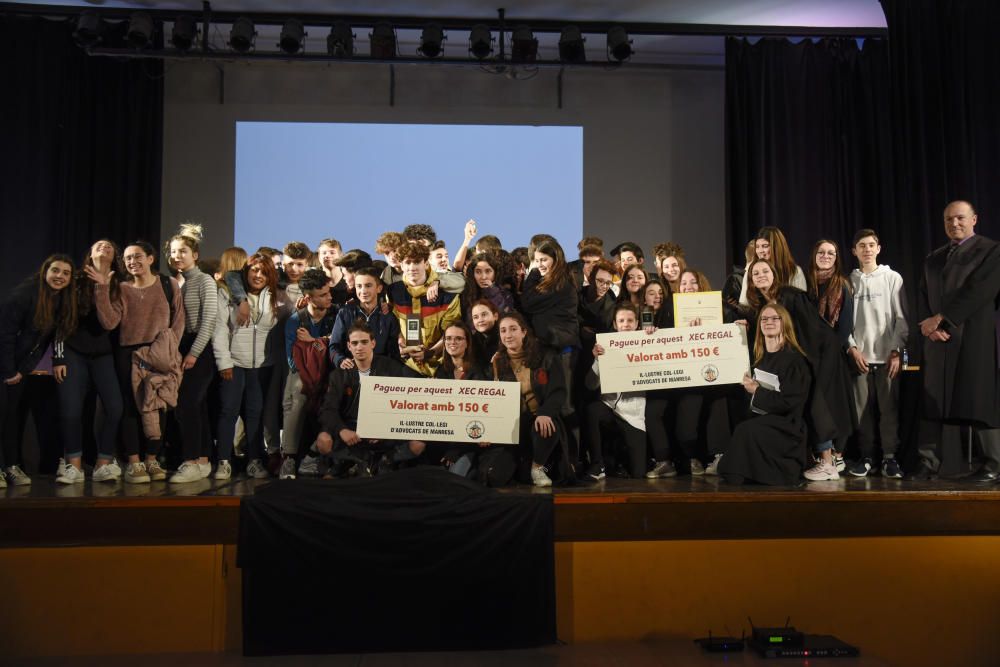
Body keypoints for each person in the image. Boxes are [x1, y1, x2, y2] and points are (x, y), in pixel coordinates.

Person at [915, 200, 1000, 482]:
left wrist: (942, 318)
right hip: (938, 342)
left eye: (961, 218)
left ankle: (992, 463)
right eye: (949, 219)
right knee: (933, 401)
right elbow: (923, 295)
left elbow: (980, 291)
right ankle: (930, 462)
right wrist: (929, 325)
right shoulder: (934, 258)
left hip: (974, 337)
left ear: (974, 219)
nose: (955, 224)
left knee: (978, 398)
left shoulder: (991, 251)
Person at [746, 258, 854, 481]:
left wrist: (810, 363)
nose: (761, 276)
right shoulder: (761, 306)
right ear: (751, 281)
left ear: (774, 274)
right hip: (801, 359)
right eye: (755, 274)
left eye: (765, 271)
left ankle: (827, 463)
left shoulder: (790, 296)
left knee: (818, 402)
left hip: (819, 356)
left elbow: (813, 330)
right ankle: (816, 459)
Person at [92, 241, 185, 483]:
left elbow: (179, 319)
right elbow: (110, 322)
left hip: (161, 354)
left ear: (151, 258)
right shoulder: (121, 288)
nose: (132, 261)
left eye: (137, 256)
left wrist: (169, 348)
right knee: (130, 408)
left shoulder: (168, 284)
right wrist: (102, 289)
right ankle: (134, 463)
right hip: (129, 355)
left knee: (158, 405)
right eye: (128, 258)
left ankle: (152, 458)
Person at [0, 255, 77, 487]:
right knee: (4, 416)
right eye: (55, 270)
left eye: (65, 273)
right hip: (5, 362)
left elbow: (44, 342)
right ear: (45, 271)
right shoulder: (24, 295)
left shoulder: (59, 300)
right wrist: (9, 370)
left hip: (20, 365)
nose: (60, 276)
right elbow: (5, 336)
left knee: (10, 417)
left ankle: (11, 466)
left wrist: (22, 369)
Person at [53, 241, 125, 484]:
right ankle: (73, 464)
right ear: (90, 253)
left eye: (108, 246)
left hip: (103, 355)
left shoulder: (119, 284)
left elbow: (110, 323)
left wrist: (103, 287)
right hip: (73, 352)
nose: (103, 247)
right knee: (71, 410)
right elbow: (62, 319)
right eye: (98, 245)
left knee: (115, 408)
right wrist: (59, 356)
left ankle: (104, 463)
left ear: (114, 255)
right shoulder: (75, 280)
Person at [314, 322, 424, 476]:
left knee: (418, 443)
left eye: (364, 342)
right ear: (349, 346)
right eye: (355, 343)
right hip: (351, 429)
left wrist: (385, 428)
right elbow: (327, 410)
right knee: (323, 440)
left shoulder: (392, 367)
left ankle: (386, 461)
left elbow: (417, 389)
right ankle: (356, 461)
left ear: (373, 343)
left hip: (383, 429)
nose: (359, 347)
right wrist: (342, 430)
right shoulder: (339, 375)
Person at [211, 253, 286, 480]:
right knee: (229, 411)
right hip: (233, 363)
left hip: (261, 366)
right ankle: (224, 461)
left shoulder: (275, 296)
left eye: (264, 272)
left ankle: (254, 461)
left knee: (256, 413)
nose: (258, 275)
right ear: (246, 271)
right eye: (254, 270)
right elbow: (220, 330)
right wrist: (224, 362)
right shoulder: (229, 293)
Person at [718, 304, 811, 485]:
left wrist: (756, 390)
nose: (769, 322)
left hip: (788, 425)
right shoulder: (759, 358)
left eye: (775, 318)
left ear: (784, 323)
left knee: (746, 430)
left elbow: (791, 402)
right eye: (764, 319)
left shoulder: (795, 360)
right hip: (765, 418)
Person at [845, 229, 908, 478]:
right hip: (860, 358)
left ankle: (890, 458)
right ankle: (867, 457)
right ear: (854, 251)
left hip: (886, 359)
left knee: (888, 410)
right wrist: (852, 348)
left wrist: (896, 351)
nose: (867, 249)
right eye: (862, 245)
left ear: (879, 248)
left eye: (871, 245)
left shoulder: (892, 278)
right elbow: (844, 322)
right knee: (862, 411)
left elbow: (902, 318)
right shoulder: (848, 281)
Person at [164, 224, 219, 483]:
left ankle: (191, 460)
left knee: (188, 404)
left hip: (199, 349)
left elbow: (208, 320)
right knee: (197, 408)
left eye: (183, 251)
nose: (177, 255)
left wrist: (194, 353)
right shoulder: (177, 283)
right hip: (181, 348)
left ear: (195, 255)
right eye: (173, 252)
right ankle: (203, 460)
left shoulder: (204, 280)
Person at [585, 303, 663, 480]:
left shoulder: (647, 342)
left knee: (638, 473)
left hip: (634, 416)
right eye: (621, 321)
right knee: (592, 410)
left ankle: (623, 463)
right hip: (609, 408)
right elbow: (590, 385)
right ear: (615, 324)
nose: (625, 324)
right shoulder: (604, 346)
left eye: (629, 320)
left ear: (637, 323)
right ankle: (598, 464)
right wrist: (597, 360)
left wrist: (656, 339)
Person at [493, 313, 568, 487]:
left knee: (545, 427)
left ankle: (538, 467)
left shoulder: (546, 356)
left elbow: (558, 392)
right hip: (514, 425)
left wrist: (545, 413)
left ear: (524, 332)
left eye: (513, 329)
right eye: (503, 331)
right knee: (495, 476)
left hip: (539, 418)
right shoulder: (498, 362)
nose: (508, 335)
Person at [279, 268, 337, 479]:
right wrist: (325, 342)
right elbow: (293, 360)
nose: (329, 297)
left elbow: (338, 349)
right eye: (323, 295)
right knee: (296, 392)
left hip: (332, 372)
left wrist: (315, 344)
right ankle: (289, 459)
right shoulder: (296, 321)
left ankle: (317, 454)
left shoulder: (337, 314)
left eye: (329, 292)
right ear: (308, 298)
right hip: (306, 374)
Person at [389, 242, 462, 377]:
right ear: (402, 265)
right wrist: (401, 343)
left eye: (417, 262)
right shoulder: (393, 291)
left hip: (442, 364)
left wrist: (430, 353)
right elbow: (394, 325)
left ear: (426, 263)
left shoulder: (447, 293)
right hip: (408, 364)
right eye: (408, 262)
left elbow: (451, 332)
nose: (412, 267)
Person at [329, 265, 401, 369]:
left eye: (368, 286)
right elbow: (334, 346)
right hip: (351, 371)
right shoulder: (345, 313)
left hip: (380, 373)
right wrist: (340, 360)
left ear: (379, 288)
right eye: (359, 286)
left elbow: (393, 352)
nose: (363, 291)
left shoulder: (388, 316)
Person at [738, 226, 807, 306]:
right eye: (757, 247)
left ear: (776, 247)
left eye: (765, 246)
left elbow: (801, 305)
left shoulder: (794, 271)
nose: (760, 251)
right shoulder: (752, 270)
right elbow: (744, 305)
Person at [462, 252, 515, 321]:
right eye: (478, 272)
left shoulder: (504, 293)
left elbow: (506, 316)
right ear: (473, 273)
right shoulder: (467, 293)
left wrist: (492, 291)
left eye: (488, 271)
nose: (483, 277)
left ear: (495, 273)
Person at [317, 238, 350, 306]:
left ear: (341, 256)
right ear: (319, 257)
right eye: (324, 253)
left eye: (332, 252)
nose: (327, 255)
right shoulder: (313, 280)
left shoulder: (350, 279)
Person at [468, 299, 500, 369]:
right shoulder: (472, 341)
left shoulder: (505, 337)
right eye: (476, 317)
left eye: (484, 315)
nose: (480, 320)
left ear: (495, 316)